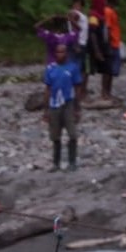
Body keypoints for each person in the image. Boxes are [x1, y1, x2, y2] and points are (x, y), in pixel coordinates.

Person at [42, 42, 82, 172]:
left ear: (67, 53)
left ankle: (72, 162)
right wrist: (46, 109)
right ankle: (56, 163)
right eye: (58, 52)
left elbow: (77, 88)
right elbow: (47, 89)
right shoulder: (50, 69)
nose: (60, 54)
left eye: (63, 52)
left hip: (68, 103)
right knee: (55, 135)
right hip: (54, 104)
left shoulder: (73, 68)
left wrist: (77, 108)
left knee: (72, 134)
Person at [86, 0, 110, 99]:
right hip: (94, 48)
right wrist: (96, 51)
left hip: (103, 45)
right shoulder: (93, 16)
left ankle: (104, 92)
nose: (105, 2)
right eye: (103, 0)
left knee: (106, 69)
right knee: (87, 70)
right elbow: (92, 33)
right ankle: (82, 93)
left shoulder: (102, 15)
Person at [103, 0, 123, 99]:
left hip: (115, 43)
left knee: (111, 70)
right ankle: (105, 92)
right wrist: (108, 44)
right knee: (108, 70)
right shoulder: (108, 11)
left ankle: (108, 92)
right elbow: (107, 29)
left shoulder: (111, 11)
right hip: (111, 44)